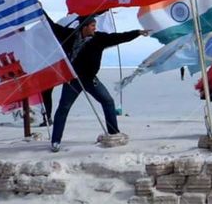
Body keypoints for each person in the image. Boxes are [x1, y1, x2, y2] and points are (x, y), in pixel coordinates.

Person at [47, 14, 149, 152]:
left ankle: (113, 133)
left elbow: (118, 37)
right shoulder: (70, 36)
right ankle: (55, 141)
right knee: (63, 109)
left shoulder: (99, 38)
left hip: (90, 79)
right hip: (73, 80)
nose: (95, 28)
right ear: (84, 27)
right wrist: (40, 9)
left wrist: (137, 33)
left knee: (108, 101)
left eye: (95, 26)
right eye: (92, 26)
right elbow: (53, 27)